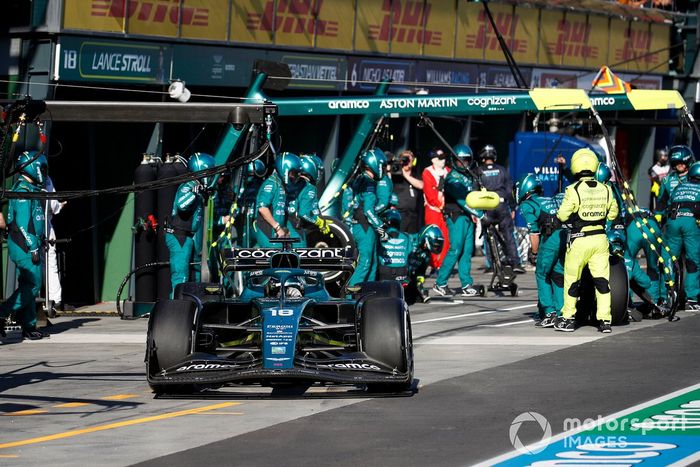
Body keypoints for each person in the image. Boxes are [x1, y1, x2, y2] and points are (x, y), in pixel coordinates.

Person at [554, 148, 619, 333]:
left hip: (579, 240)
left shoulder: (573, 190)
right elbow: (613, 213)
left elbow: (563, 214)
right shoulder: (606, 189)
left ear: (575, 166)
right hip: (600, 239)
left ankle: (568, 318)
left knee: (572, 280)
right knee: (602, 281)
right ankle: (605, 321)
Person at [0, 150, 49, 340]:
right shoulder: (22, 191)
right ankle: (3, 312)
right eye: (41, 168)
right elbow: (22, 222)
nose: (43, 172)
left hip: (29, 244)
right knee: (34, 284)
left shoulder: (31, 190)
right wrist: (34, 246)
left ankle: (29, 326)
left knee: (26, 284)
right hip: (24, 246)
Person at [514, 173, 566, 327]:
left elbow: (534, 233)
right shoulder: (549, 199)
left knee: (542, 273)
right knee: (557, 274)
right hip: (564, 236)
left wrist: (534, 253)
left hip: (550, 240)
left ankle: (549, 312)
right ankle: (561, 311)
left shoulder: (528, 205)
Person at [433, 144, 483, 297]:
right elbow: (462, 200)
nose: (463, 164)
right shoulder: (452, 178)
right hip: (456, 215)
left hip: (467, 216)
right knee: (456, 248)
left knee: (467, 251)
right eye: (460, 161)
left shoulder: (470, 176)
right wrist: (480, 214)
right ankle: (440, 283)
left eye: (466, 161)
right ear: (454, 161)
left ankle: (466, 284)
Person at [164, 152, 215, 294]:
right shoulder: (188, 186)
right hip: (179, 236)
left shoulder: (198, 187)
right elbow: (182, 205)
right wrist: (194, 194)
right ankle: (176, 309)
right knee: (180, 277)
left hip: (189, 237)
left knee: (196, 272)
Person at [476, 145, 523, 273]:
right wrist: (513, 207)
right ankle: (515, 263)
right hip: (502, 206)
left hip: (487, 207)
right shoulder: (502, 170)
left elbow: (475, 191)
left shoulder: (478, 171)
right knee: (509, 235)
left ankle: (492, 265)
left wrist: (475, 212)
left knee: (489, 237)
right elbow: (509, 191)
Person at [344, 149, 387, 287]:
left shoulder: (360, 178)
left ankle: (368, 293)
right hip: (364, 227)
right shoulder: (368, 183)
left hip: (362, 226)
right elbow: (368, 211)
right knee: (366, 262)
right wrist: (380, 226)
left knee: (373, 262)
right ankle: (351, 291)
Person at [665, 161, 700, 311]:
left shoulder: (679, 187)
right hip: (691, 223)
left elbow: (668, 203)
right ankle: (691, 299)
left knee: (672, 259)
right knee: (692, 261)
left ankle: (670, 294)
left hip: (673, 222)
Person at [255, 152, 304, 248]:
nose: (294, 177)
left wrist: (284, 228)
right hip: (268, 232)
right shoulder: (271, 183)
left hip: (277, 232)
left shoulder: (280, 184)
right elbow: (262, 208)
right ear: (285, 169)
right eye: (293, 173)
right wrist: (277, 228)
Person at [289, 155, 332, 243]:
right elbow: (304, 213)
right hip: (296, 229)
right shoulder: (309, 187)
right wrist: (319, 222)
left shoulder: (290, 184)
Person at [45, 176, 72, 312]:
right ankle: (55, 301)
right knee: (50, 264)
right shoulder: (46, 178)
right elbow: (53, 205)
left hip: (28, 227)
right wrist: (59, 206)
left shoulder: (21, 181)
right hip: (44, 226)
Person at [422, 148, 450, 269]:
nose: (442, 161)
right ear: (433, 159)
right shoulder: (427, 172)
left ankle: (442, 265)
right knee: (433, 237)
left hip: (446, 210)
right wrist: (439, 204)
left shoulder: (448, 171)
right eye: (439, 158)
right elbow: (429, 193)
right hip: (433, 210)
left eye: (443, 158)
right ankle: (434, 264)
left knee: (447, 238)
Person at [655, 145, 694, 223]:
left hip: (692, 216)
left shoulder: (695, 176)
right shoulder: (668, 180)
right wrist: (658, 214)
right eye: (677, 162)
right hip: (672, 217)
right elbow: (662, 201)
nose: (680, 164)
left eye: (682, 162)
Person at [391, 150, 423, 233]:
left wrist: (404, 174)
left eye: (409, 159)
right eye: (404, 159)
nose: (407, 161)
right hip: (399, 213)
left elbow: (421, 185)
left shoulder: (416, 175)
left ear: (413, 161)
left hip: (412, 215)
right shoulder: (395, 175)